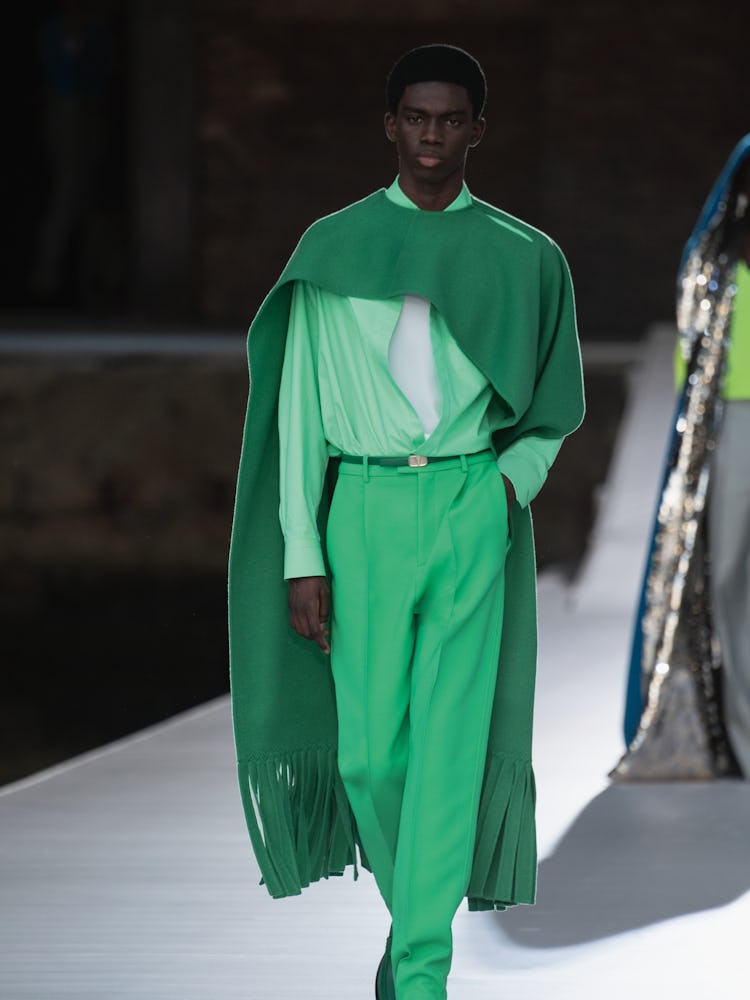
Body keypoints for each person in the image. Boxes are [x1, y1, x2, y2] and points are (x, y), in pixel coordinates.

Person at [228, 44, 584, 999]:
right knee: (369, 754)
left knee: (452, 747)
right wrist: (303, 551)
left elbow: (554, 405)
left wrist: (510, 487)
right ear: (391, 127)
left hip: (472, 502)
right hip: (367, 507)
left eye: (451, 119)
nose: (433, 136)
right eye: (416, 118)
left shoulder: (524, 255)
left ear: (477, 129)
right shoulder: (333, 249)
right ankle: (417, 924)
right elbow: (298, 409)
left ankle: (418, 972)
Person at [614, 135, 750, 781]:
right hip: (732, 429)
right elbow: (691, 362)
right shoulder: (713, 266)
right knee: (726, 583)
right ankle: (742, 737)